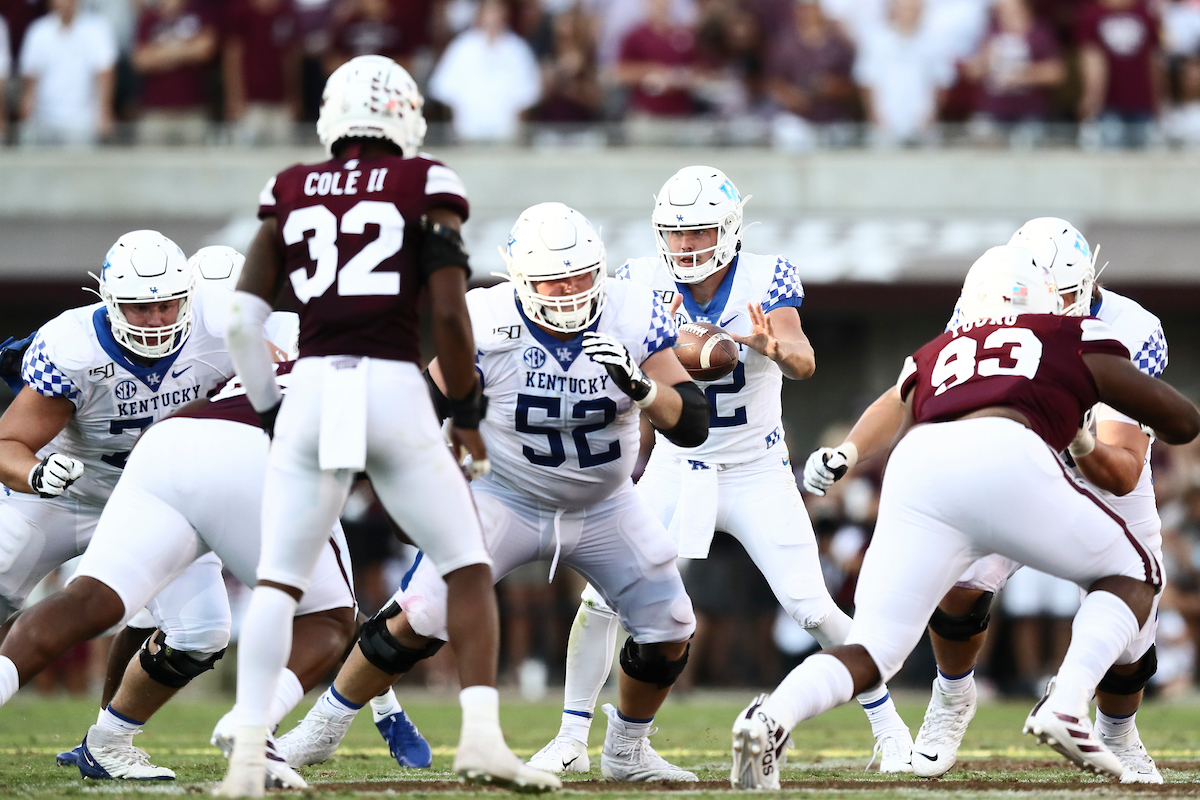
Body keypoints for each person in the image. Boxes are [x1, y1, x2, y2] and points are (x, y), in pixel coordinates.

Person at [733, 245, 1200, 788]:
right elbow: (1182, 422)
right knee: (1137, 572)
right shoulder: (1071, 334)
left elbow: (899, 400)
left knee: (873, 649)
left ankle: (773, 716)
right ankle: (1067, 700)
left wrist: (849, 455)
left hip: (917, 468)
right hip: (1007, 456)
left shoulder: (945, 344)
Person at [216, 55, 556, 796]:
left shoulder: (291, 186)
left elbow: (241, 317)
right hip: (394, 384)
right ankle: (482, 738)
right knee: (465, 563)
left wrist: (271, 408)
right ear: (406, 113)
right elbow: (447, 310)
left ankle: (247, 752)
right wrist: (465, 412)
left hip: (311, 384)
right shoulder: (424, 182)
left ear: (330, 116)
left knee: (278, 581)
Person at [277, 202, 711, 782]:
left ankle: (627, 752)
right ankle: (320, 729)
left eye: (582, 275)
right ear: (519, 278)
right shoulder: (482, 318)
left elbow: (693, 423)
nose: (570, 291)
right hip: (504, 495)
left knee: (671, 623)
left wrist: (642, 389)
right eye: (555, 279)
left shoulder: (633, 313)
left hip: (605, 503)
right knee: (422, 612)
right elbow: (421, 401)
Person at [528, 166, 915, 776]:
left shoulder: (767, 274)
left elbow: (805, 361)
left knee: (812, 607)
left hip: (756, 467)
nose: (684, 246)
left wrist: (772, 348)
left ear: (730, 228)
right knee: (600, 600)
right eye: (675, 234)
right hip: (676, 466)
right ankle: (574, 737)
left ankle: (890, 729)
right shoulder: (638, 280)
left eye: (698, 232)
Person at [0, 362, 357, 788]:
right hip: (254, 458)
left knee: (108, 606)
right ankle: (253, 727)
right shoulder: (387, 375)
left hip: (167, 445)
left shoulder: (271, 352)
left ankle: (108, 742)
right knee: (332, 616)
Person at [0, 231, 239, 775]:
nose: (156, 318)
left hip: (164, 498)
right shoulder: (74, 345)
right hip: (69, 491)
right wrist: (36, 473)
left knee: (204, 630)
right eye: (139, 306)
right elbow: (6, 444)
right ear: (107, 300)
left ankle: (107, 745)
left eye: (167, 303)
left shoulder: (226, 326)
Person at [17, 0, 117, 145]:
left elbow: (105, 73)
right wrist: (27, 112)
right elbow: (30, 78)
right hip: (44, 118)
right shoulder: (38, 31)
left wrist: (105, 112)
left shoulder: (96, 28)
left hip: (83, 122)